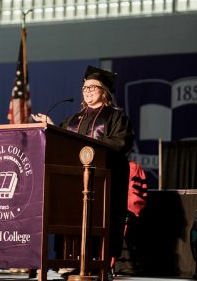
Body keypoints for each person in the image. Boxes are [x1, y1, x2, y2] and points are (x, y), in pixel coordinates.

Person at [32, 65, 134, 277]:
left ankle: (97, 261)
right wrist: (52, 128)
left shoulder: (116, 117)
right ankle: (68, 258)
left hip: (103, 181)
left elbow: (120, 143)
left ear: (104, 92)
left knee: (97, 220)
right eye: (85, 88)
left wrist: (87, 145)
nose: (87, 92)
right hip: (73, 181)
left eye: (93, 87)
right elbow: (63, 144)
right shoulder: (74, 119)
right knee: (68, 215)